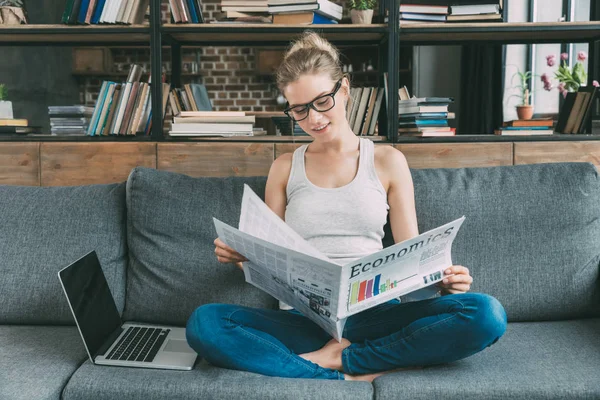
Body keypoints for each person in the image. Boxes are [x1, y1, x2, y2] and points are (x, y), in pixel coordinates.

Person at [186, 31, 507, 382]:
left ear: (344, 89)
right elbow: (268, 261)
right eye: (299, 109)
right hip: (303, 319)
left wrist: (443, 281)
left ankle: (332, 362)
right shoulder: (283, 168)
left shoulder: (387, 161)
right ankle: (351, 369)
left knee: (485, 313)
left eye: (322, 101)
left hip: (375, 315)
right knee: (206, 323)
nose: (313, 119)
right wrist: (241, 255)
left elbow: (411, 256)